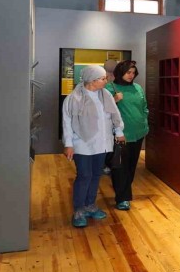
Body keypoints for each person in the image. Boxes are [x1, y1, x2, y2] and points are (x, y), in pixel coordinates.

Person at [62, 65, 125, 228]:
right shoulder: (73, 98)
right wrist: (68, 144)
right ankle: (79, 210)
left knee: (96, 175)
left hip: (102, 144)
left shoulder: (106, 95)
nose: (106, 81)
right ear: (91, 80)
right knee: (84, 176)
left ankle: (90, 205)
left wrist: (119, 131)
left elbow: (115, 115)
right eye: (102, 78)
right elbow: (67, 123)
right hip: (82, 143)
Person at [107, 60, 149, 211]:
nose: (131, 75)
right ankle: (122, 197)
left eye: (133, 73)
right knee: (120, 167)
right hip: (121, 135)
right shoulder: (110, 88)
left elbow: (144, 107)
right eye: (128, 72)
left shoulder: (137, 88)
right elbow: (102, 111)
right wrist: (114, 100)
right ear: (120, 72)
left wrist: (144, 121)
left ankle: (124, 192)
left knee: (131, 165)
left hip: (139, 133)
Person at [101, 59, 119, 175]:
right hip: (105, 120)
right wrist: (115, 100)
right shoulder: (102, 82)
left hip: (114, 119)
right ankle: (103, 164)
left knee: (112, 144)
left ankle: (109, 164)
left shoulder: (116, 81)